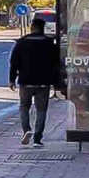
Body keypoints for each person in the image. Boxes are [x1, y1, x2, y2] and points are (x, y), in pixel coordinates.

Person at [9, 15, 65, 145]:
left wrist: (12, 79)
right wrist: (57, 83)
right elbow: (56, 64)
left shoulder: (22, 42)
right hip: (44, 82)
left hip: (25, 81)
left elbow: (14, 62)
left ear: (31, 27)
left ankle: (26, 130)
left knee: (24, 107)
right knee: (41, 110)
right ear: (43, 28)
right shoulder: (49, 43)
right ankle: (37, 138)